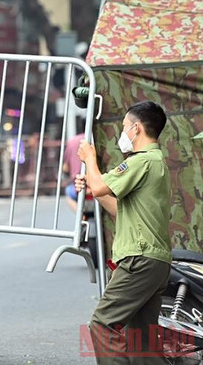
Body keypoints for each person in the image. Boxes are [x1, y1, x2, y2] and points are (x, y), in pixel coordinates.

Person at [75, 101, 171, 364]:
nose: (123, 133)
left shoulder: (142, 162)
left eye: (124, 127)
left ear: (136, 128)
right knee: (143, 343)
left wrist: (90, 160)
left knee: (103, 324)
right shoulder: (156, 163)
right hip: (154, 261)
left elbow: (101, 184)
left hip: (138, 260)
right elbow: (120, 208)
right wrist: (94, 188)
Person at [63, 123, 86, 213]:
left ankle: (80, 216)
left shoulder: (72, 142)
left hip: (78, 185)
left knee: (69, 193)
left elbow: (65, 168)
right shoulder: (98, 140)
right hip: (97, 183)